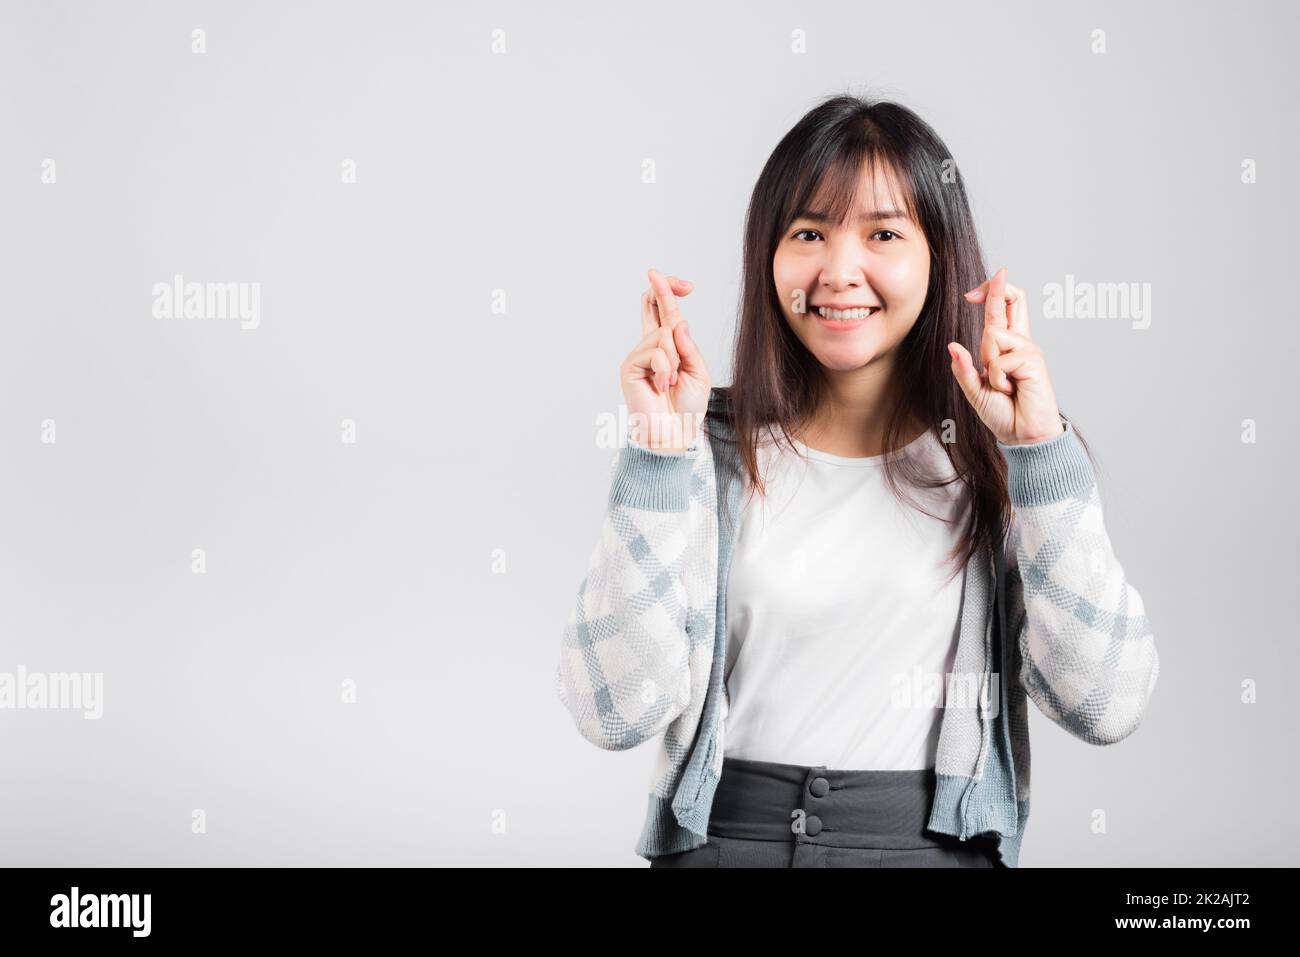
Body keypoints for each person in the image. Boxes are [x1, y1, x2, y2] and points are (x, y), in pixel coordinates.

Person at [555, 93, 1160, 868]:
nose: (840, 271)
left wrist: (1038, 451)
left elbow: (1104, 703)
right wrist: (657, 450)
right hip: (723, 845)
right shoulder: (704, 448)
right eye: (808, 232)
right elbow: (612, 712)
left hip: (929, 850)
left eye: (883, 233)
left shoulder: (997, 457)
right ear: (767, 255)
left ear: (939, 255)